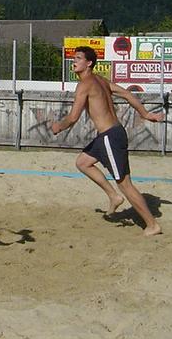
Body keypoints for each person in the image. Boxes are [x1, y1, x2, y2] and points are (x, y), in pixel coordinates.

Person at [51, 46, 164, 236]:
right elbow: (128, 94)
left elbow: (73, 117)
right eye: (74, 58)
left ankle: (152, 225)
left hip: (109, 136)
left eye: (78, 58)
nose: (74, 61)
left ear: (89, 63)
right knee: (83, 162)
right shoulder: (101, 81)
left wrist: (59, 127)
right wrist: (145, 113)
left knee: (125, 183)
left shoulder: (84, 85)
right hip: (112, 134)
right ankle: (113, 196)